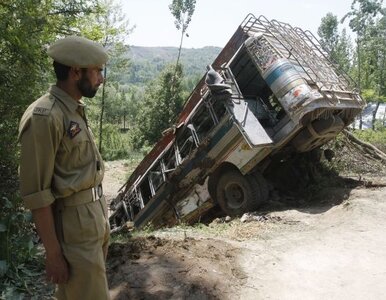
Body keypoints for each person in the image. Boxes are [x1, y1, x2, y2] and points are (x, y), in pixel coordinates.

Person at [18, 36, 110, 300]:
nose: (101, 79)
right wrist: (54, 254)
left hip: (94, 219)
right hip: (74, 227)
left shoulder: (72, 110)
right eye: (97, 71)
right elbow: (37, 194)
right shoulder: (45, 116)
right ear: (75, 71)